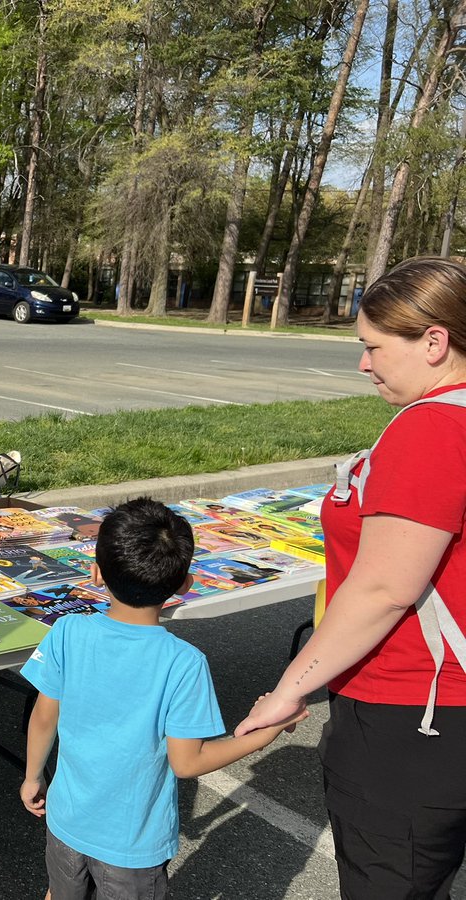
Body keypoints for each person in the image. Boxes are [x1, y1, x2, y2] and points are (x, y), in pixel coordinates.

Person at [236, 256, 466, 899]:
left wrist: (289, 689)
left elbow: (382, 589)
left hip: (411, 715)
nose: (363, 365)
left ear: (434, 341)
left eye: (372, 347)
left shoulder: (431, 429)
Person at [21, 497, 307, 899]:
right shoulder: (184, 663)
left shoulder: (68, 630)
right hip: (133, 844)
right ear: (185, 585)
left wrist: (34, 777)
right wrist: (267, 732)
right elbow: (187, 762)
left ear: (96, 573)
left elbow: (43, 717)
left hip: (66, 820)